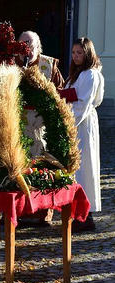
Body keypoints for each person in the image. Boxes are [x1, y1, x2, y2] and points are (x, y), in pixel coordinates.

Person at [16, 31, 64, 226]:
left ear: (38, 45)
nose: (27, 47)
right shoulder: (10, 65)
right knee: (17, 163)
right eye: (22, 43)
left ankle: (41, 212)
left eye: (30, 43)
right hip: (17, 123)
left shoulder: (48, 65)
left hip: (40, 123)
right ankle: (17, 209)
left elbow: (59, 93)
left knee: (41, 164)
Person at [64, 37, 104, 232]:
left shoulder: (90, 74)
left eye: (80, 53)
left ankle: (85, 215)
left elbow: (84, 104)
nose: (76, 56)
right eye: (73, 53)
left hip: (83, 123)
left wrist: (66, 122)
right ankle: (77, 212)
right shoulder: (77, 74)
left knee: (84, 168)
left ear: (88, 53)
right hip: (76, 123)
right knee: (76, 168)